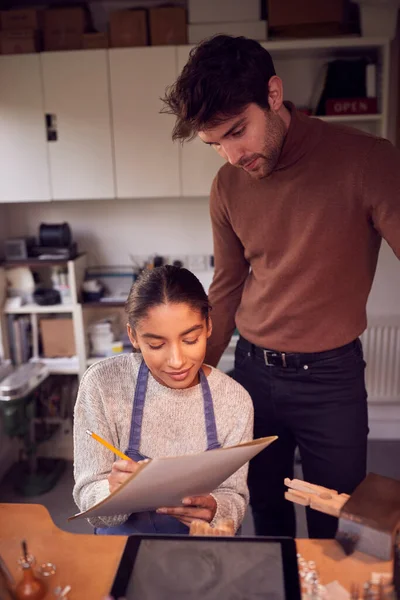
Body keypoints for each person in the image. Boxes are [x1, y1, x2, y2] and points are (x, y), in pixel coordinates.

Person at [162, 35, 400, 539]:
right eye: (215, 144)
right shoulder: (227, 185)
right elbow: (226, 287)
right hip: (252, 374)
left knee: (338, 526)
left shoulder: (368, 160)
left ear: (273, 94)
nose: (231, 155)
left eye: (237, 132)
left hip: (331, 379)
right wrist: (196, 378)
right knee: (264, 512)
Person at [73, 265, 253, 535]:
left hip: (203, 551)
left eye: (190, 339)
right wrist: (114, 492)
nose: (177, 361)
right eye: (157, 345)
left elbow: (235, 497)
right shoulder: (102, 384)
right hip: (121, 546)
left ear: (208, 326)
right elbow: (89, 501)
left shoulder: (234, 400)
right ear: (133, 336)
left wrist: (216, 509)